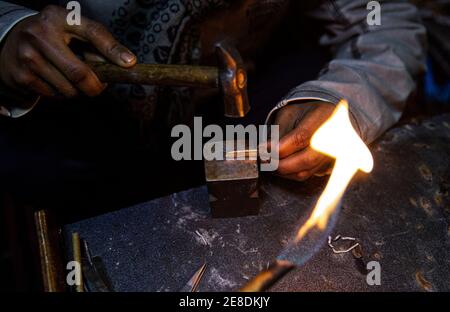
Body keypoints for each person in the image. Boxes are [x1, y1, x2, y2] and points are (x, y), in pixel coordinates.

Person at [0, 0, 426, 190]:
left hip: (236, 115)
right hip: (68, 134)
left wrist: (332, 99)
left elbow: (383, 18)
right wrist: (8, 31)